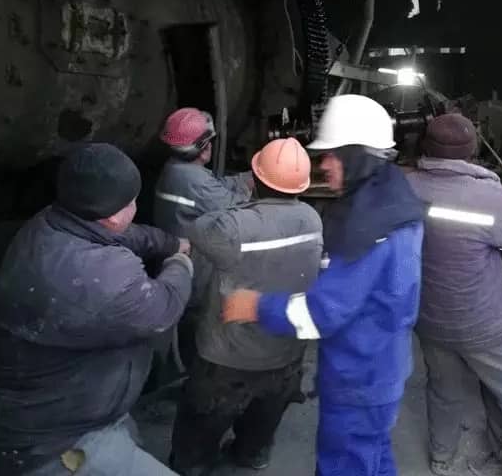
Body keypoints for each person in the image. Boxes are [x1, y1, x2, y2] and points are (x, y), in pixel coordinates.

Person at [222, 94, 425, 476]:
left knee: (345, 464)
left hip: (358, 380)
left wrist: (256, 307)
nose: (325, 164)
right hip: (383, 366)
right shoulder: (394, 204)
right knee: (374, 454)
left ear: (357, 156)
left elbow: (321, 315)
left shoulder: (367, 230)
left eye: (333, 155)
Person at [0, 143, 194, 476]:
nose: (135, 206)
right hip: (52, 445)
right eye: (132, 201)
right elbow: (163, 308)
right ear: (114, 215)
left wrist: (171, 243)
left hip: (54, 412)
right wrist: (181, 263)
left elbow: (127, 235)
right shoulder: (103, 277)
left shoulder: (51, 223)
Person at [405, 113, 502, 476]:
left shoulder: (407, 186)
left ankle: (441, 457)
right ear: (471, 150)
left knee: (443, 388)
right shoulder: (491, 195)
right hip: (483, 322)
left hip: (429, 316)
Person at [169, 138, 323, 475]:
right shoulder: (313, 219)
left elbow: (194, 226)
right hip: (286, 352)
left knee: (201, 428)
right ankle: (252, 454)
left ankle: (193, 466)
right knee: (263, 419)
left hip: (228, 357)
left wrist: (241, 196)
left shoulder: (231, 226)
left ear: (256, 177)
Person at [153, 107, 253, 371]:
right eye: (209, 142)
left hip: (176, 254)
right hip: (194, 264)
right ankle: (192, 369)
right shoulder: (192, 180)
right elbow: (236, 208)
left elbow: (215, 186)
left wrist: (245, 178)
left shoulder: (176, 169)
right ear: (203, 147)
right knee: (197, 319)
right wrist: (257, 184)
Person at [153, 107, 253, 237]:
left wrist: (243, 180)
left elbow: (216, 185)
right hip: (189, 245)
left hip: (172, 236)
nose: (211, 145)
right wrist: (248, 190)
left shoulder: (173, 167)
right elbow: (241, 210)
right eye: (209, 141)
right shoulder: (198, 182)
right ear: (204, 150)